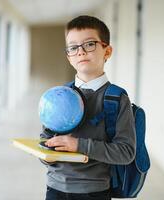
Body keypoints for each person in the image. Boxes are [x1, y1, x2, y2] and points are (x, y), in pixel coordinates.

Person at [40, 15, 136, 200]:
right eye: (73, 47)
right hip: (54, 187)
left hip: (94, 191)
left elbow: (126, 152)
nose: (81, 52)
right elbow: (45, 138)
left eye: (89, 44)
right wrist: (46, 155)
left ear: (107, 51)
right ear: (68, 57)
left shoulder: (116, 98)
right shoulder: (59, 95)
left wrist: (78, 145)